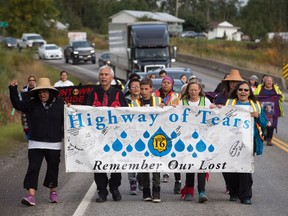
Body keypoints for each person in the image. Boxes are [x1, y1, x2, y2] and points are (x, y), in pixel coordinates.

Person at [9, 77, 64, 206]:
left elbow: (71, 116)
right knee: (33, 168)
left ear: (50, 92)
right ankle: (31, 195)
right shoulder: (31, 103)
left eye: (44, 92)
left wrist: (70, 108)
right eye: (39, 92)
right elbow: (17, 104)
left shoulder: (60, 103)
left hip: (54, 143)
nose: (42, 94)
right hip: (35, 143)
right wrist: (12, 89)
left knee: (53, 168)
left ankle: (53, 192)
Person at [86, 65, 128, 203]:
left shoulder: (118, 93)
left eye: (106, 75)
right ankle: (102, 191)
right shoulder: (93, 93)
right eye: (101, 74)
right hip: (97, 136)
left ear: (112, 77)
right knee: (99, 164)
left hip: (114, 136)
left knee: (115, 163)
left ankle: (114, 188)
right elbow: (84, 111)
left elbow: (126, 113)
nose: (103, 77)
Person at [225, 81, 267, 204]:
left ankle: (245, 195)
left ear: (249, 92)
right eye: (240, 90)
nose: (243, 92)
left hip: (249, 141)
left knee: (245, 168)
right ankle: (233, 192)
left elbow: (264, 123)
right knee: (230, 168)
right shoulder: (229, 103)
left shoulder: (256, 105)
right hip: (230, 140)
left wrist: (257, 115)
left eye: (246, 90)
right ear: (236, 91)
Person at [179, 81, 215, 203]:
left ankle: (201, 192)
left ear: (199, 90)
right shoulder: (183, 102)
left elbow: (213, 115)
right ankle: (189, 189)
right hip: (187, 137)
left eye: (195, 90)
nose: (193, 92)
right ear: (188, 91)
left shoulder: (206, 101)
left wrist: (216, 109)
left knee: (201, 165)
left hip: (202, 138)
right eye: (191, 90)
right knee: (190, 164)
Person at [214, 69, 244, 194]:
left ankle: (236, 187)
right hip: (223, 133)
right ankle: (229, 184)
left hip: (239, 134)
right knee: (223, 161)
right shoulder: (221, 96)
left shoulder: (242, 96)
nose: (233, 84)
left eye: (236, 82)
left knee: (238, 161)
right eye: (231, 82)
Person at [153, 76, 181, 191]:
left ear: (172, 84)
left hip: (171, 128)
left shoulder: (176, 96)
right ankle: (157, 179)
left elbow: (181, 110)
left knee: (174, 155)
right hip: (157, 128)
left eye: (168, 82)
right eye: (164, 82)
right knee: (158, 152)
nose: (165, 84)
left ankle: (178, 181)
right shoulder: (154, 96)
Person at [139, 77, 163, 203]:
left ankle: (156, 191)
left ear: (151, 89)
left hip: (155, 136)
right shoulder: (135, 102)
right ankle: (146, 191)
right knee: (143, 165)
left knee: (156, 164)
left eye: (146, 89)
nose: (143, 91)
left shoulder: (158, 101)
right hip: (141, 137)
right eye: (141, 89)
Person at [254, 75, 284, 146]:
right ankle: (262, 136)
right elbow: (254, 96)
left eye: (270, 81)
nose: (269, 82)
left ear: (272, 82)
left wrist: (279, 96)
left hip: (272, 112)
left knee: (271, 126)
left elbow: (282, 98)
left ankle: (269, 140)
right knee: (261, 124)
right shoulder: (260, 88)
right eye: (267, 81)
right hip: (262, 111)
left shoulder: (276, 88)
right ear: (264, 82)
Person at [125, 78, 141, 195]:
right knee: (131, 159)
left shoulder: (146, 100)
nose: (136, 88)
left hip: (143, 135)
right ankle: (132, 182)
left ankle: (141, 179)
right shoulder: (125, 101)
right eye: (133, 86)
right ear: (129, 89)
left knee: (141, 159)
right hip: (130, 134)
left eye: (138, 86)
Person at [20, 76, 37, 140]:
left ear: (35, 81)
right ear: (28, 81)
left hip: (35, 109)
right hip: (26, 109)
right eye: (30, 80)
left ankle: (35, 135)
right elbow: (21, 99)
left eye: (33, 80)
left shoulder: (38, 88)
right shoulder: (24, 89)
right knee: (25, 123)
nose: (31, 81)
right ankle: (28, 137)